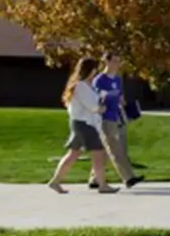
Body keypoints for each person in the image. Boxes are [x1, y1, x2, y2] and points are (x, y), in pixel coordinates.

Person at [48, 57, 118, 194]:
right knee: (98, 153)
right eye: (95, 70)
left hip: (81, 123)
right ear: (90, 70)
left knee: (73, 154)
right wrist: (101, 107)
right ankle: (102, 184)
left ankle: (55, 181)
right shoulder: (81, 86)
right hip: (86, 124)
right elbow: (93, 106)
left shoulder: (83, 85)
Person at [88, 52, 142, 190]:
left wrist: (126, 107)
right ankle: (128, 177)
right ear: (107, 62)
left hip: (116, 116)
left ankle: (94, 179)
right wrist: (107, 95)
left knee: (107, 149)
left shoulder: (117, 80)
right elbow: (95, 96)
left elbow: (120, 98)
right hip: (104, 117)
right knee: (115, 148)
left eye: (119, 61)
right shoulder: (99, 79)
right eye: (115, 61)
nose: (118, 64)